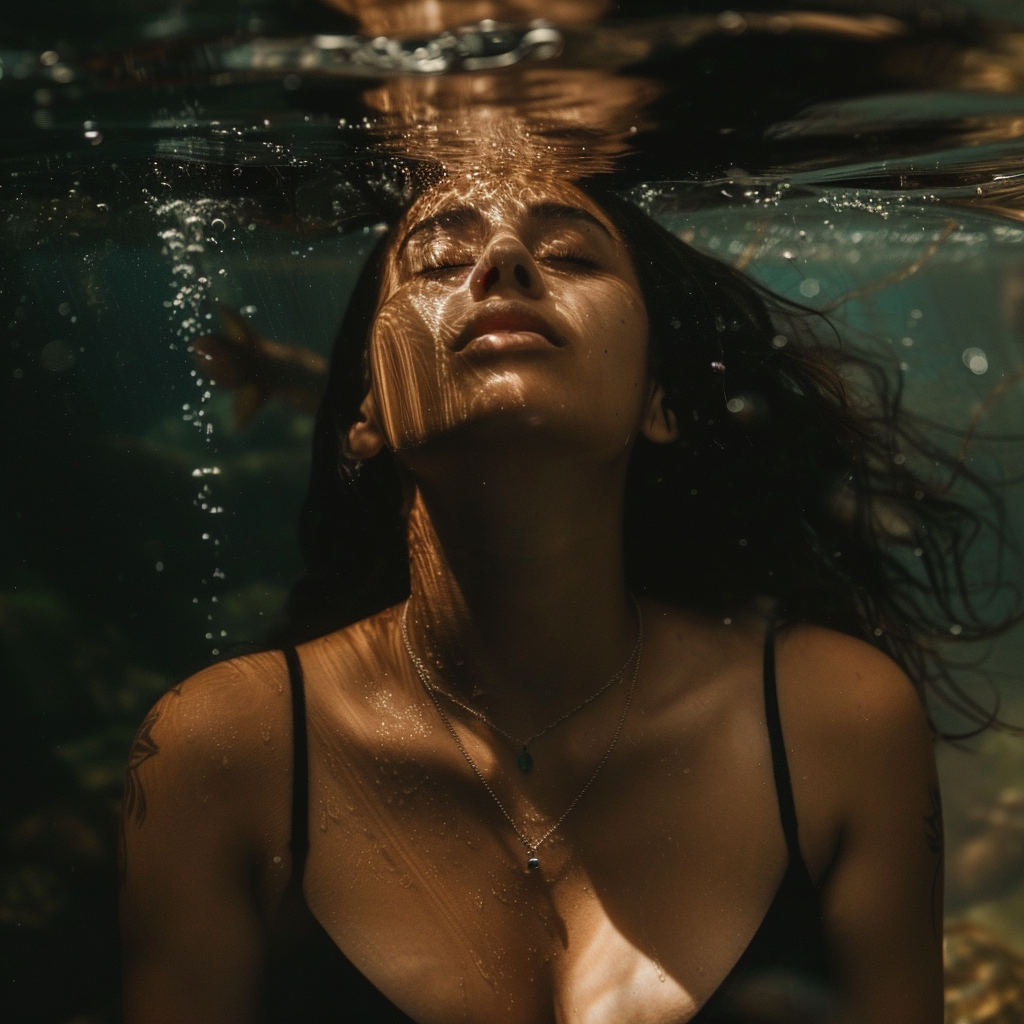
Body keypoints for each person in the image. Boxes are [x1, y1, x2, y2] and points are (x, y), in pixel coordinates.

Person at [122, 167, 1010, 1024]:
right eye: (437, 260)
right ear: (368, 412)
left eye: (574, 257)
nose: (501, 263)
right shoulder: (219, 753)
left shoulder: (838, 722)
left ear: (659, 400)